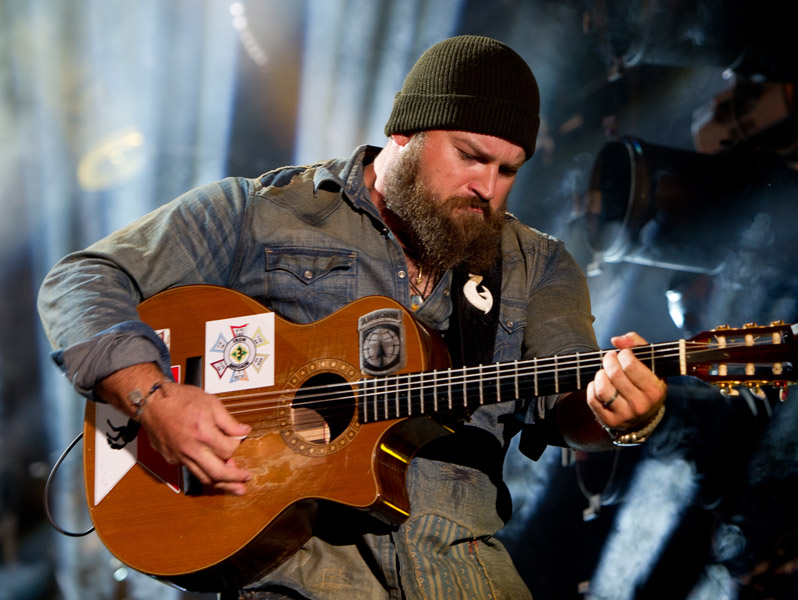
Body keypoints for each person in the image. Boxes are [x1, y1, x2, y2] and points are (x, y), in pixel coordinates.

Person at [38, 35, 666, 599]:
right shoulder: (260, 211)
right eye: (471, 156)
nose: (488, 188)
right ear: (405, 134)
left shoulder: (540, 266)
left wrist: (620, 415)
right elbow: (81, 280)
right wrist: (153, 397)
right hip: (287, 571)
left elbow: (571, 404)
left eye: (508, 171)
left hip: (462, 569)